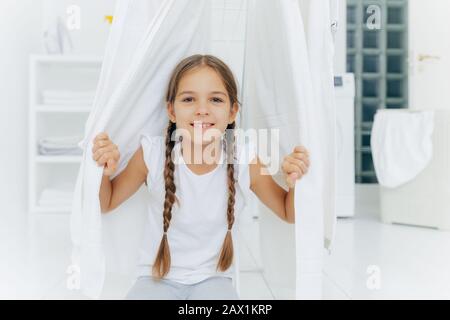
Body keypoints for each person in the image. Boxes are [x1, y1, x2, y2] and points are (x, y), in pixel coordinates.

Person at [92, 54, 309, 300]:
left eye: (215, 99)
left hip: (214, 280)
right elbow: (106, 203)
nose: (202, 110)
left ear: (232, 111)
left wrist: (294, 184)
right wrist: (103, 171)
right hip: (155, 279)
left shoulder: (245, 159)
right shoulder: (151, 154)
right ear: (171, 110)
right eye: (189, 99)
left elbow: (288, 212)